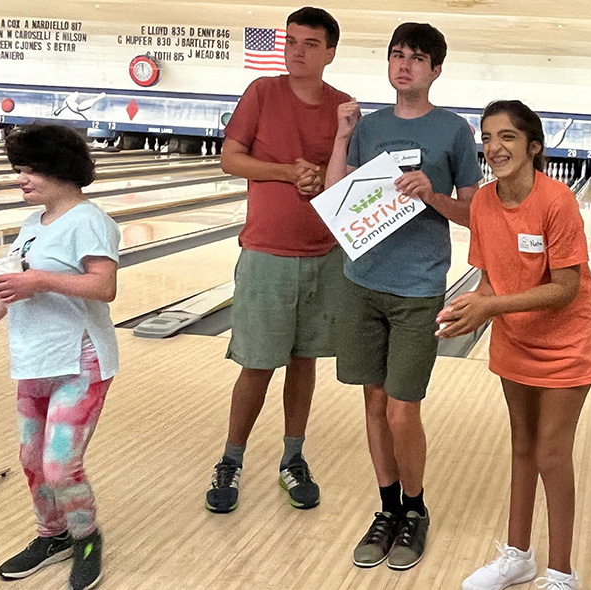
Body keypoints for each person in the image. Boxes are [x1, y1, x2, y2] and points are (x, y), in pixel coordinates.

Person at [325, 22, 481, 571]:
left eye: (416, 58)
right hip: (362, 281)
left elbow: (474, 214)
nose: (404, 65)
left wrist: (431, 194)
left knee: (400, 408)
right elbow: (334, 198)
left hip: (418, 289)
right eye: (396, 55)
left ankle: (415, 510)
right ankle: (387, 508)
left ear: (435, 69)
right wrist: (342, 136)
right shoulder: (368, 127)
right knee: (373, 401)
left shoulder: (455, 132)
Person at [438, 100, 591, 590]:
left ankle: (562, 573)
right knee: (522, 448)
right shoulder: (484, 203)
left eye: (507, 137)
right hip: (516, 340)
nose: (494, 147)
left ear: (533, 146)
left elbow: (565, 287)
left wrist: (491, 308)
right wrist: (468, 308)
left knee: (552, 453)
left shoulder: (557, 201)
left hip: (566, 341)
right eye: (487, 137)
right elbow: (489, 283)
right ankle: (518, 556)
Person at [204, 7, 352, 514]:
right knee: (257, 365)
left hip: (324, 256)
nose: (296, 50)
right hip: (266, 252)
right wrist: (288, 173)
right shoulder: (262, 93)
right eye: (290, 41)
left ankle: (293, 458)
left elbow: (348, 180)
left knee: (303, 361)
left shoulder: (343, 108)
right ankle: (231, 459)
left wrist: (329, 164)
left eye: (310, 43)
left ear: (330, 52)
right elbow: (230, 158)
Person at [0, 124, 121, 590]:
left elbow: (104, 286)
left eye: (28, 170)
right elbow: (13, 286)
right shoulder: (32, 225)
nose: (20, 179)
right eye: (19, 170)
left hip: (81, 360)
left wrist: (41, 281)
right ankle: (50, 535)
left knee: (60, 466)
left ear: (56, 169)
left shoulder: (90, 220)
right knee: (32, 460)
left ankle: (86, 537)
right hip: (34, 359)